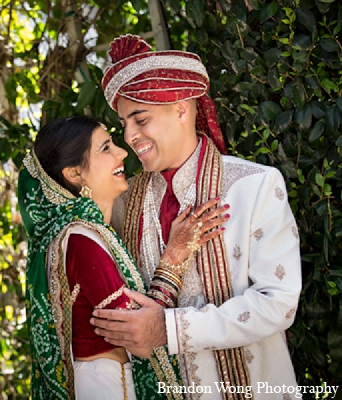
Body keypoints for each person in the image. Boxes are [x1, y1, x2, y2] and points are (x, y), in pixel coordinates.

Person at [91, 34, 302, 399]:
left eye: (140, 119)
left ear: (181, 109)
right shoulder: (128, 202)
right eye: (124, 124)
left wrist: (169, 330)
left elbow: (278, 302)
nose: (130, 136)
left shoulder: (254, 185)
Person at [17, 116, 229, 399]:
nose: (122, 153)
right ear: (74, 174)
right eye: (105, 148)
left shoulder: (77, 234)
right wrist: (174, 257)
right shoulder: (82, 240)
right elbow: (140, 340)